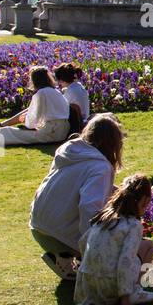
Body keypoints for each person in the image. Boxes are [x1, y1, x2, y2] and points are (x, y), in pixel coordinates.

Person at [28, 114, 125, 279]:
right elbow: (89, 206)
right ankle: (71, 257)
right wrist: (92, 246)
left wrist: (118, 191)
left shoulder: (70, 151)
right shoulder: (100, 167)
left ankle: (63, 257)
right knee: (116, 238)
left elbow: (73, 185)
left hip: (37, 225)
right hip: (59, 235)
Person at [74, 173, 153, 305]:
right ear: (142, 201)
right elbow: (125, 260)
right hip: (111, 288)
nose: (145, 209)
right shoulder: (133, 225)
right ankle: (139, 289)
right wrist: (126, 302)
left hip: (88, 287)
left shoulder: (104, 216)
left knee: (146, 244)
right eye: (145, 205)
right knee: (149, 246)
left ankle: (139, 286)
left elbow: (82, 242)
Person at [55, 62, 90, 135]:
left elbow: (62, 109)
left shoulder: (71, 91)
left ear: (61, 79)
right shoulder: (79, 86)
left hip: (77, 124)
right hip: (85, 119)